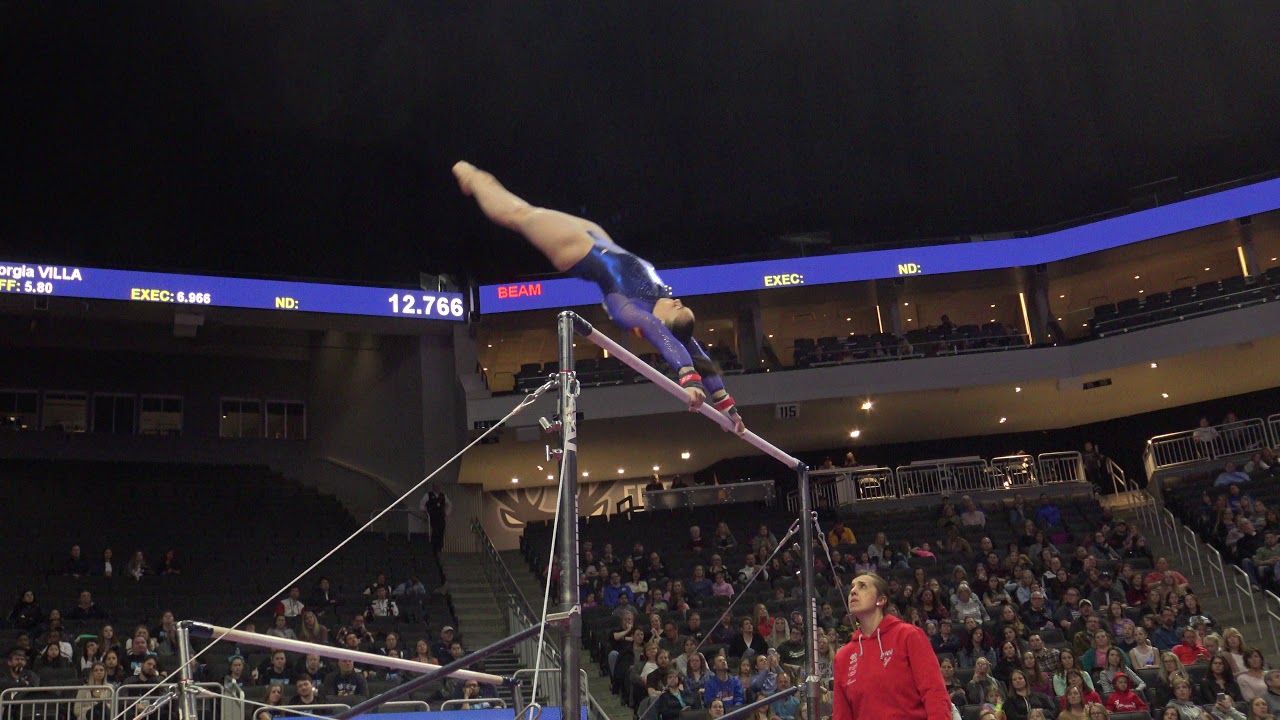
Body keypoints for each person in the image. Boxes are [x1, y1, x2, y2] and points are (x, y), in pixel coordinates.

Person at [454, 161, 745, 433]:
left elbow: (663, 337)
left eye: (676, 311)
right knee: (525, 210)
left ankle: (471, 179)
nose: (679, 302)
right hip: (600, 240)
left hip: (579, 250)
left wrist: (687, 378)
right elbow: (698, 353)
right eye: (683, 306)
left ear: (662, 320)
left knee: (520, 214)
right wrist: (726, 406)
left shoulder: (631, 310)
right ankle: (478, 180)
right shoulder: (662, 302)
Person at [832, 573, 951, 720]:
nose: (853, 591)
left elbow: (934, 692)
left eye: (862, 586)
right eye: (852, 587)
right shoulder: (843, 657)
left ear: (881, 600)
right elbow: (841, 715)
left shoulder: (908, 635)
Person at [420, 483, 452, 556]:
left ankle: (439, 548)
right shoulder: (428, 495)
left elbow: (449, 504)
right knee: (435, 531)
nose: (438, 488)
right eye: (436, 486)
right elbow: (422, 504)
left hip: (441, 517)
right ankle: (434, 549)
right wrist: (426, 511)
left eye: (439, 486)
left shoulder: (443, 496)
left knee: (441, 532)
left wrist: (446, 513)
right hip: (433, 517)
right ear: (433, 487)